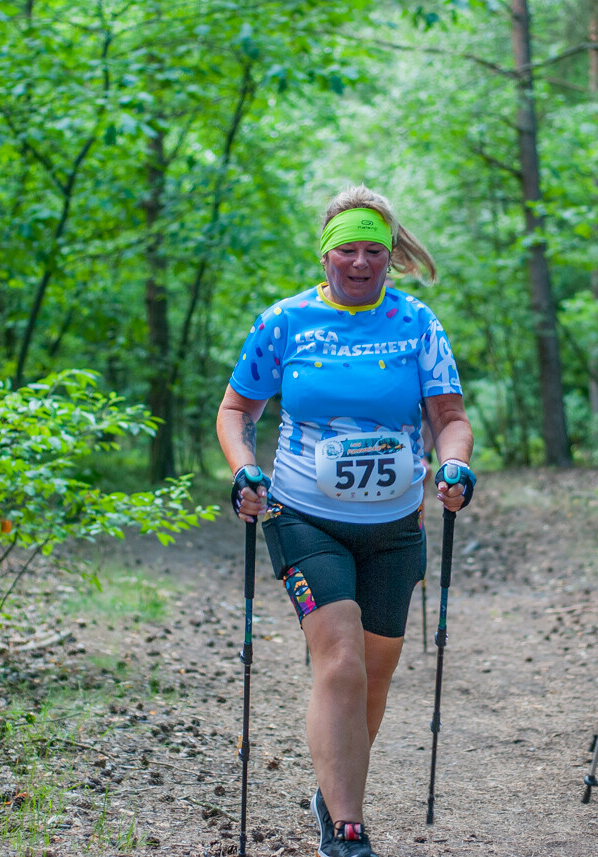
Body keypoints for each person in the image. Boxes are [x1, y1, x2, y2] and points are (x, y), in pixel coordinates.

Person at [216, 186, 476, 857]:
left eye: (373, 250)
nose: (360, 262)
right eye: (348, 250)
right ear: (326, 253)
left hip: (395, 526)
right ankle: (347, 823)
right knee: (342, 659)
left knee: (376, 672)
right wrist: (244, 466)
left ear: (389, 254)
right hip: (305, 515)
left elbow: (450, 419)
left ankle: (333, 785)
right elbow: (236, 411)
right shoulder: (284, 322)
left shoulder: (417, 323)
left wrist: (454, 467)